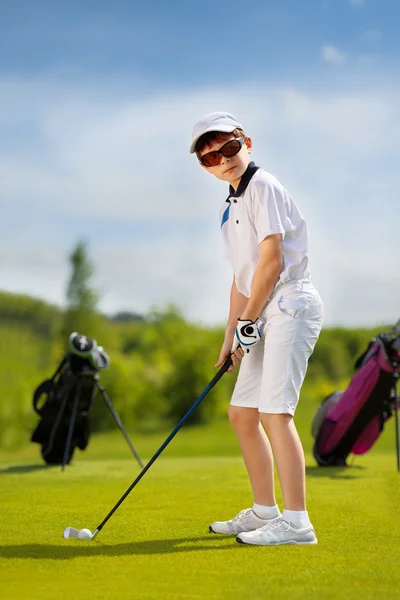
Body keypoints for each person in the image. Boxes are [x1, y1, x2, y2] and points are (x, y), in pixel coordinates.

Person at [189, 112, 324, 546]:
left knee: (274, 414)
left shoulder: (262, 186)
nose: (222, 160)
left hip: (288, 304)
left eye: (228, 148)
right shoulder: (229, 211)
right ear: (203, 167)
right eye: (209, 157)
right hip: (261, 310)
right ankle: (265, 511)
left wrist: (249, 323)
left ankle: (297, 522)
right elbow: (241, 279)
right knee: (242, 415)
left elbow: (273, 261)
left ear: (246, 142)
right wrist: (231, 334)